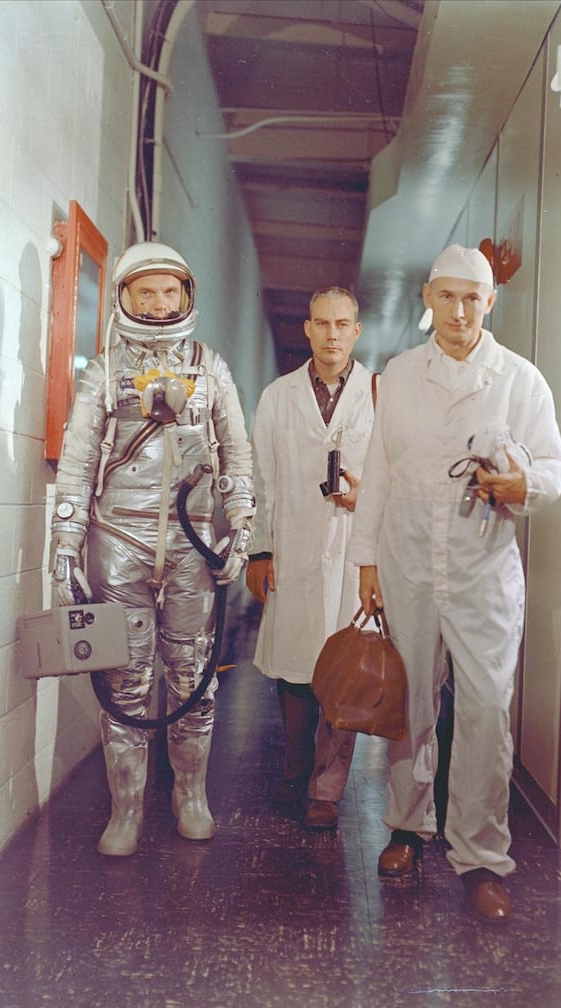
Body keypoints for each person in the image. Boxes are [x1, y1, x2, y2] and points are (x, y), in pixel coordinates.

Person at [348, 244, 561, 922]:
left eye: (472, 297)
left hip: (482, 561)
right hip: (408, 556)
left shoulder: (520, 379)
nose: (459, 310)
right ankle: (407, 830)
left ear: (490, 301)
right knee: (409, 700)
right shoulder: (401, 375)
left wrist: (521, 483)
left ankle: (481, 858)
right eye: (447, 296)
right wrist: (366, 563)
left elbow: (556, 468)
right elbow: (379, 471)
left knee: (483, 710)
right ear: (427, 298)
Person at [50, 241, 254, 857]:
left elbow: (236, 450)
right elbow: (80, 458)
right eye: (147, 292)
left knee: (193, 676)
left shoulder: (209, 366)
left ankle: (190, 796)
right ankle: (126, 810)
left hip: (192, 540)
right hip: (119, 539)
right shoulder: (103, 370)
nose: (159, 303)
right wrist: (65, 540)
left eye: (170, 291)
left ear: (186, 297)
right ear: (126, 298)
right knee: (124, 680)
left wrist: (241, 522)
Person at [246, 287, 376, 830]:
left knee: (344, 671)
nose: (332, 335)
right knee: (296, 668)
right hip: (295, 547)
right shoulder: (278, 397)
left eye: (342, 324)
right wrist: (260, 549)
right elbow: (262, 478)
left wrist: (361, 493)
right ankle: (298, 763)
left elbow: (396, 476)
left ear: (356, 330)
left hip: (354, 548)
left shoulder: (378, 393)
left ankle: (327, 788)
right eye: (322, 324)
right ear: (307, 329)